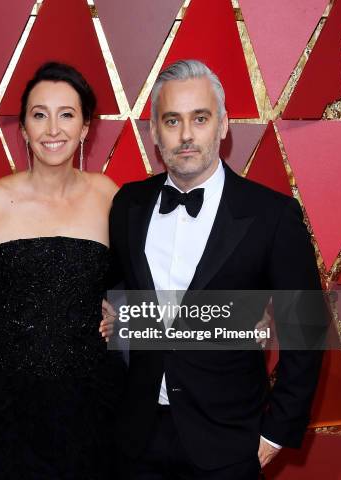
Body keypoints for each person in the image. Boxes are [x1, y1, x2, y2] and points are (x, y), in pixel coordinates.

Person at [110, 59, 326, 479]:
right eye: (172, 120)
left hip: (229, 443)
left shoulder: (272, 215)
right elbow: (114, 295)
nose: (186, 135)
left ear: (224, 125)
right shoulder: (127, 205)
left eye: (200, 118)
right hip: (136, 439)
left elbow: (306, 329)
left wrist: (276, 432)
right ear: (154, 131)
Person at [0, 62, 126, 479]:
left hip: (87, 405)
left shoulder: (108, 196)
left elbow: (141, 277)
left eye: (67, 114)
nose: (52, 129)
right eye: (39, 114)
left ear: (85, 128)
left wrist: (126, 315)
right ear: (23, 128)